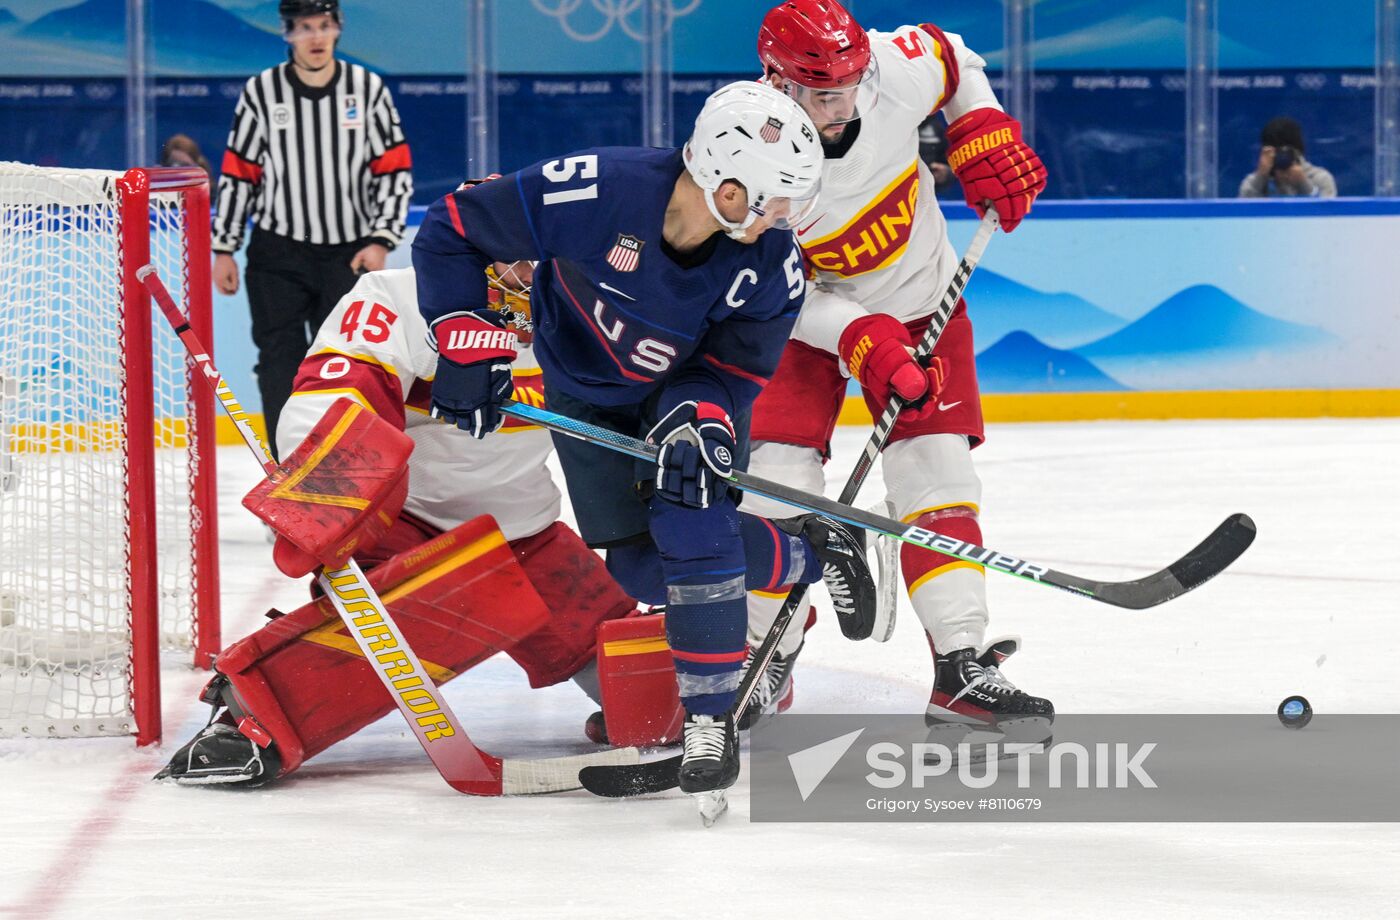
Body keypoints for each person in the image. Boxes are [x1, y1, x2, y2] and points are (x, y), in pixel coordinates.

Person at [412, 82, 878, 801]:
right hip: (582, 388)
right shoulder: (597, 190)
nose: (785, 218)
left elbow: (735, 368)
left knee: (692, 526)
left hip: (681, 393)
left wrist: (702, 419)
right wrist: (464, 342)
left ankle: (709, 720)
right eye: (775, 198)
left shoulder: (769, 265)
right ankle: (813, 549)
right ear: (727, 187)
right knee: (637, 571)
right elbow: (450, 228)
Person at [156, 260, 656, 787]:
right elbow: (339, 388)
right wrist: (330, 490)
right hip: (403, 524)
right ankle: (248, 719)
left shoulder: (600, 311)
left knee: (642, 679)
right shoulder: (403, 295)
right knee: (421, 613)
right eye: (519, 257)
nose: (534, 272)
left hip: (522, 530)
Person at [739, 0, 1053, 740]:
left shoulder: (887, 66)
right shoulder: (744, 143)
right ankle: (760, 653)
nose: (841, 107)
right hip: (794, 321)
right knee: (774, 480)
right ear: (777, 83)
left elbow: (954, 55)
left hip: (920, 303)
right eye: (820, 96)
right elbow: (755, 284)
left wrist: (980, 126)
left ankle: (962, 664)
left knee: (938, 474)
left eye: (847, 87)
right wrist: (855, 335)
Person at [211, 0, 413, 457]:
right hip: (277, 252)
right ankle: (288, 474)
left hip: (350, 252)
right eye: (305, 28)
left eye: (324, 26)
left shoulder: (366, 88)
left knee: (345, 367)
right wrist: (224, 247)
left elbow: (394, 170)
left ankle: (341, 474)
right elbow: (240, 171)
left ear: (338, 29)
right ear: (287, 34)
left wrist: (380, 239)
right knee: (279, 365)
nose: (316, 37)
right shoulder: (262, 91)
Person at [1238, 116, 1337, 198]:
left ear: (1298, 151)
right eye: (1276, 151)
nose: (1281, 156)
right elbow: (1243, 214)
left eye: (1286, 151)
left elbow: (1324, 216)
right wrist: (1261, 176)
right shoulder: (1253, 182)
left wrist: (1303, 184)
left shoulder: (1321, 178)